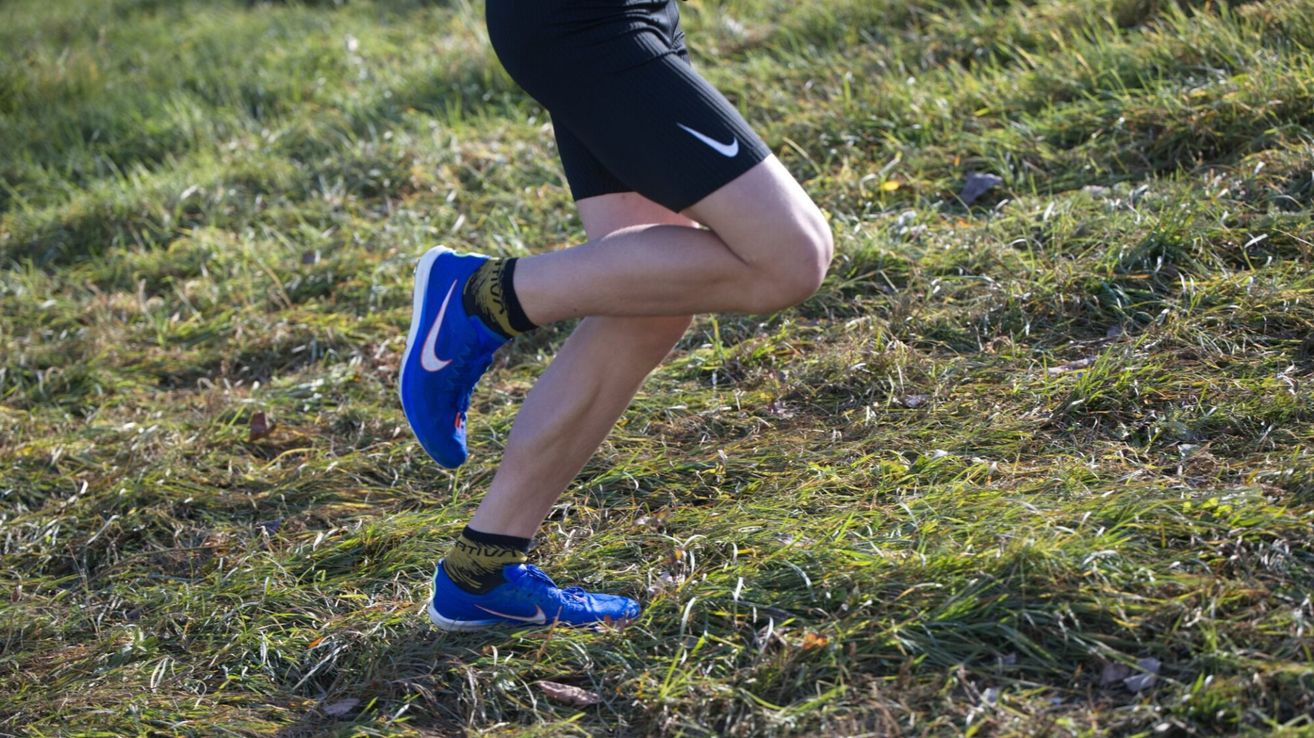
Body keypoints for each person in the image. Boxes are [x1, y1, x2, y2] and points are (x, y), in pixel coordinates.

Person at [398, 0, 833, 630]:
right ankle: (477, 298)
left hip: (625, 19)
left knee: (651, 300)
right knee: (792, 257)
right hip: (590, 25)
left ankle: (482, 572)